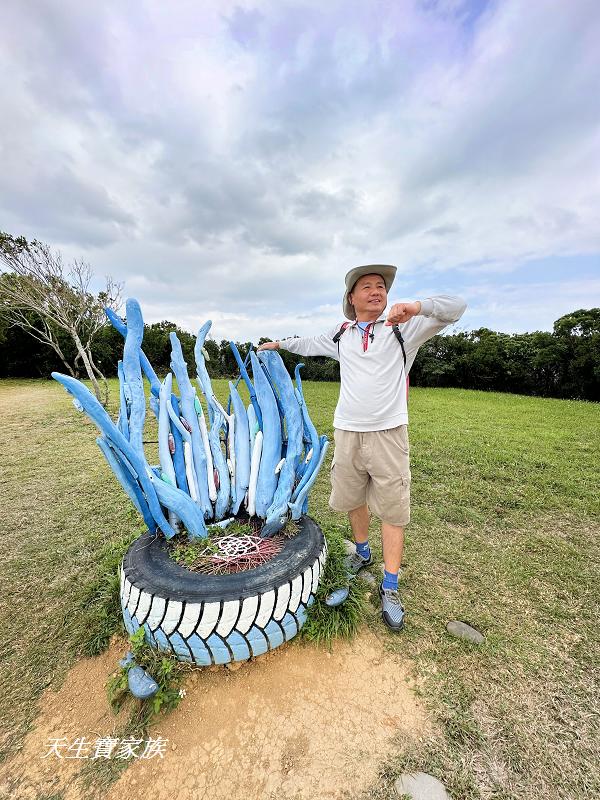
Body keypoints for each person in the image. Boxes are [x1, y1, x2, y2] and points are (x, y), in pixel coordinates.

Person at [258, 265, 466, 630]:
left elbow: (456, 306)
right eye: (367, 286)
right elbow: (306, 343)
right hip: (348, 432)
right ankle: (363, 552)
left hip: (389, 433)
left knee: (392, 508)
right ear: (351, 299)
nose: (377, 291)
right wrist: (278, 345)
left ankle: (390, 585)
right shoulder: (342, 334)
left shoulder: (404, 329)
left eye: (381, 286)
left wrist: (417, 306)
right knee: (352, 497)